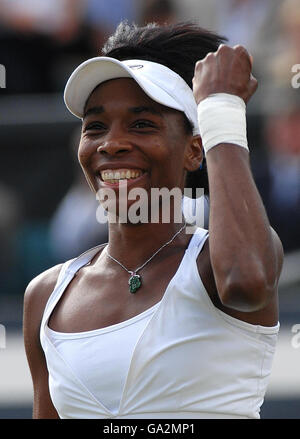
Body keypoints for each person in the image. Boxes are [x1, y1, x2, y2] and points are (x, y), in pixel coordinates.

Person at [23, 21, 283, 419]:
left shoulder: (219, 263)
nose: (111, 143)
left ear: (195, 151)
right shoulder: (45, 296)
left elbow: (246, 282)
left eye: (142, 124)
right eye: (95, 126)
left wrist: (221, 111)